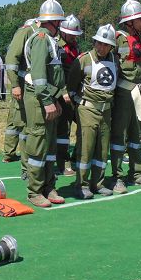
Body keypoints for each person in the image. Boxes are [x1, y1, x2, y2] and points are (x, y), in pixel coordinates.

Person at [23, 0, 68, 208]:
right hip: (39, 99)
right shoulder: (41, 39)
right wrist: (48, 101)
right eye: (58, 21)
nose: (61, 25)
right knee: (38, 146)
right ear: (52, 21)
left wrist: (56, 99)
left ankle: (49, 187)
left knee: (49, 147)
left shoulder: (50, 39)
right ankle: (35, 191)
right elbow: (40, 77)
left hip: (48, 98)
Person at [109, 0, 141, 193]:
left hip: (137, 93)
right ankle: (118, 177)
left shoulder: (139, 38)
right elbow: (113, 65)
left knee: (137, 134)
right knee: (120, 136)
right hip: (122, 93)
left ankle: (137, 173)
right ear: (130, 22)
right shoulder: (119, 38)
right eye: (139, 19)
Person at [67, 24, 118, 199]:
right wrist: (79, 105)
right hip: (87, 110)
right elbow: (72, 85)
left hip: (106, 112)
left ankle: (98, 183)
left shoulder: (114, 60)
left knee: (102, 150)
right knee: (85, 149)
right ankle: (81, 184)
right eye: (98, 43)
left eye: (105, 44)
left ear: (111, 46)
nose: (101, 47)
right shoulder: (83, 60)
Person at [3, 19, 37, 163]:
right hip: (22, 85)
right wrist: (16, 84)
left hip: (20, 83)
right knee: (20, 119)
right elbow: (12, 59)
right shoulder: (28, 31)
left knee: (14, 119)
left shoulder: (24, 32)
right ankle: (13, 153)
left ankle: (9, 152)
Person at [55, 15, 82, 176]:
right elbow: (57, 73)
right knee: (63, 132)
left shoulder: (75, 47)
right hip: (62, 94)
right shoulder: (57, 46)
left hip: (75, 93)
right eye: (71, 34)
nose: (74, 37)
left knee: (82, 124)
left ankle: (77, 157)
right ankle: (62, 163)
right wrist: (64, 91)